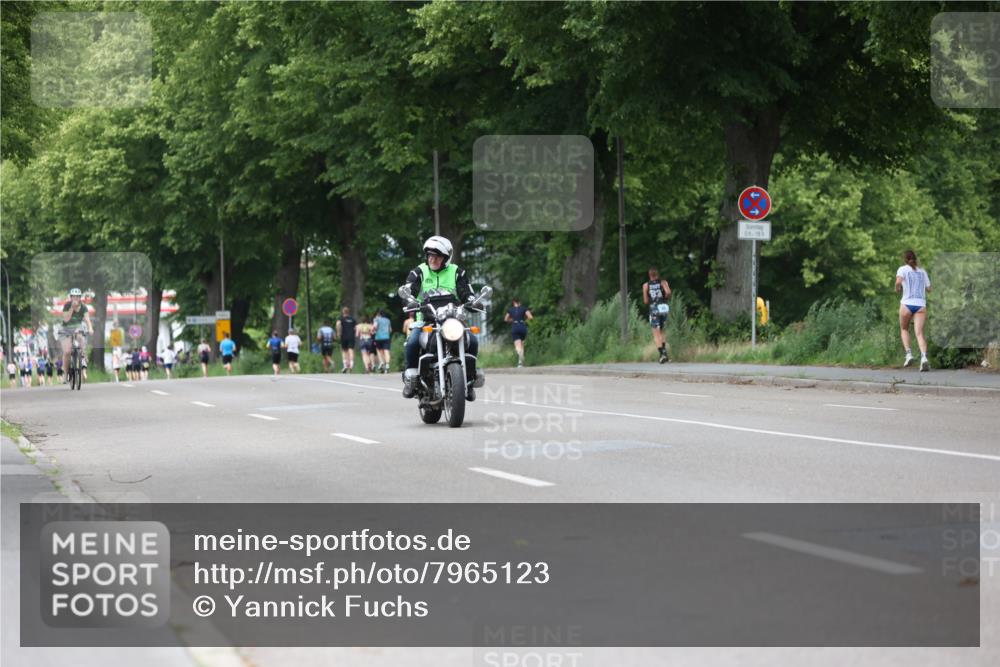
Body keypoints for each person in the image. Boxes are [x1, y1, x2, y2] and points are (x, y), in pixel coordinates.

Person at [400, 235, 479, 399]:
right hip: (426, 319)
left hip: (452, 319)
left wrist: (472, 301)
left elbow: (466, 292)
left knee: (473, 340)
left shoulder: (457, 272)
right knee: (413, 342)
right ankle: (411, 379)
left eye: (437, 256)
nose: (432, 259)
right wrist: (409, 300)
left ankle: (469, 380)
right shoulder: (419, 272)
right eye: (429, 255)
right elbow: (409, 290)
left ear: (446, 258)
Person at [896, 249, 932, 372]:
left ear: (905, 259)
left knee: (904, 329)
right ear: (915, 259)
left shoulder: (902, 269)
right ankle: (924, 358)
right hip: (921, 305)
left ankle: (909, 354)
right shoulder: (923, 272)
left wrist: (897, 289)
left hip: (906, 304)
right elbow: (929, 289)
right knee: (919, 333)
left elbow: (898, 282)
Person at [59, 288, 94, 382]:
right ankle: (65, 374)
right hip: (66, 329)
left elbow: (87, 319)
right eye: (73, 297)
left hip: (77, 328)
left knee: (80, 337)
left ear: (80, 298)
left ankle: (83, 355)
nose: (75, 298)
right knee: (67, 352)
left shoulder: (83, 307)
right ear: (71, 297)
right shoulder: (67, 305)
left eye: (77, 297)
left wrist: (90, 328)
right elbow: (66, 319)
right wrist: (71, 308)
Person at [642, 267, 672, 363]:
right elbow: (668, 292)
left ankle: (662, 354)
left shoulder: (646, 285)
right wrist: (665, 298)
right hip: (664, 308)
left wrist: (652, 300)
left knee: (656, 333)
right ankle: (664, 354)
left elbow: (646, 301)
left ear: (649, 275)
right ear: (657, 274)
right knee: (662, 331)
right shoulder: (663, 282)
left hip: (654, 309)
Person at [504, 297, 533, 367]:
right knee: (522, 345)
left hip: (515, 327)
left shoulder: (510, 310)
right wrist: (523, 320)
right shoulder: (524, 308)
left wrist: (512, 320)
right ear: (519, 302)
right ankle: (521, 362)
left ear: (513, 302)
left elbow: (505, 319)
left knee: (518, 346)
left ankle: (520, 362)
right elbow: (530, 317)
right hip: (522, 326)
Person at [336, 306, 357, 374]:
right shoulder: (353, 319)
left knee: (344, 351)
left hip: (344, 336)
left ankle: (345, 365)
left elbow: (338, 324)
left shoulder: (341, 318)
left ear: (343, 312)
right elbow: (355, 328)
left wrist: (338, 333)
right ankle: (351, 365)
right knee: (351, 350)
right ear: (349, 312)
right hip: (351, 336)